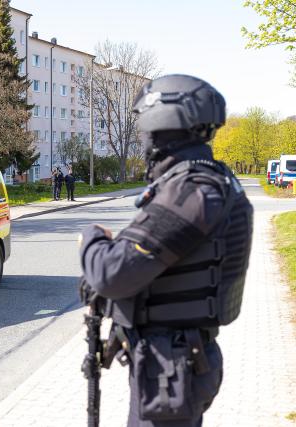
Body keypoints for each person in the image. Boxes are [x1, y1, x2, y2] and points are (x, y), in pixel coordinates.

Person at [79, 75, 253, 426]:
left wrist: (92, 238)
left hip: (171, 369)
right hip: (174, 362)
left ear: (162, 126)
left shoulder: (192, 192)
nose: (143, 140)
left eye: (145, 131)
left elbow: (111, 274)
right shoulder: (208, 181)